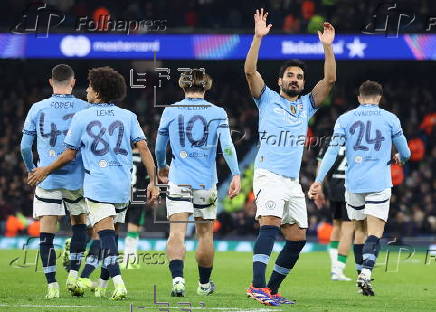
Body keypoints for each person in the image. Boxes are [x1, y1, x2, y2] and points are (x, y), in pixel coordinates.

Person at [28, 66, 160, 300]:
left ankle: (118, 282)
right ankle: (101, 285)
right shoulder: (128, 116)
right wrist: (153, 181)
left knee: (105, 235)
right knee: (113, 234)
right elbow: (144, 148)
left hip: (97, 184)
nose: (86, 90)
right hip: (122, 186)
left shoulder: (83, 116)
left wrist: (45, 169)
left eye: (90, 87)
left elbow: (68, 155)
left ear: (98, 92)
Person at [244, 8, 336, 306]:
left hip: (292, 181)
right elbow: (249, 71)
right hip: (268, 174)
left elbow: (330, 81)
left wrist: (327, 47)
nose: (295, 80)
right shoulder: (266, 98)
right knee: (269, 222)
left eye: (299, 77)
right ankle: (256, 286)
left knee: (297, 239)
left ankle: (271, 289)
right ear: (280, 80)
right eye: (290, 76)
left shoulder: (307, 105)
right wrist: (258, 38)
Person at [309, 80, 411, 296]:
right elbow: (407, 153)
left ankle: (359, 275)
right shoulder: (390, 118)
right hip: (379, 183)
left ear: (359, 98)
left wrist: (318, 180)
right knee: (375, 231)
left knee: (359, 231)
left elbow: (330, 152)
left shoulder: (345, 119)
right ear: (379, 97)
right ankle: (365, 272)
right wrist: (399, 157)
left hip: (353, 183)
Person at [155, 69, 241, 297]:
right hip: (205, 182)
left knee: (176, 233)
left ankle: (178, 281)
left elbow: (159, 146)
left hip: (179, 179)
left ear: (183, 86)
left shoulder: (171, 111)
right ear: (207, 86)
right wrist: (236, 174)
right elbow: (228, 146)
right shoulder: (217, 112)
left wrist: (161, 165)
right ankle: (204, 286)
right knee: (205, 235)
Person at [20, 64, 89, 299]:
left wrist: (33, 171)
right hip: (76, 180)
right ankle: (73, 276)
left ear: (51, 82)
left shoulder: (37, 108)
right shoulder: (84, 108)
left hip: (47, 179)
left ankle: (52, 286)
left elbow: (24, 147)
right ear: (72, 82)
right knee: (80, 225)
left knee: (46, 234)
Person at [316, 143, 355, 281]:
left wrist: (319, 186)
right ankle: (338, 269)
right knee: (348, 229)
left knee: (337, 226)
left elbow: (321, 164)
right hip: (351, 189)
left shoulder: (328, 142)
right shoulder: (356, 141)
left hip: (334, 190)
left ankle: (334, 268)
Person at [121, 147, 149, 270]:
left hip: (122, 195)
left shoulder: (123, 156)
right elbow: (148, 179)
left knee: (116, 227)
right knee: (133, 229)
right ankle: (129, 259)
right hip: (138, 196)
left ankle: (130, 258)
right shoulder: (144, 158)